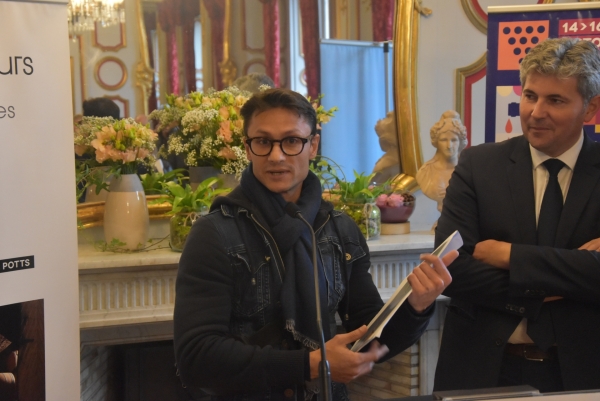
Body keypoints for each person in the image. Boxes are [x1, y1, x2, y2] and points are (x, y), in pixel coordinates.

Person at [173, 88, 456, 400]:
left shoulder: (340, 228)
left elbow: (370, 340)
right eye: (263, 141)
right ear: (247, 147)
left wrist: (417, 305)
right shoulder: (213, 233)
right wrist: (309, 364)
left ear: (313, 145)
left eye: (292, 141)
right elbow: (196, 358)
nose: (276, 156)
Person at [433, 37, 600, 393]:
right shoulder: (479, 165)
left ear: (590, 109)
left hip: (584, 372)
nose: (536, 112)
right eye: (530, 96)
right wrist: (568, 277)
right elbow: (454, 268)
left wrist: (510, 256)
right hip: (483, 371)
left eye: (555, 100)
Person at [416, 110, 468, 215]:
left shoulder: (467, 172)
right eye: (444, 140)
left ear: (461, 142)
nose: (449, 146)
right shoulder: (425, 172)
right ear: (436, 142)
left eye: (454, 140)